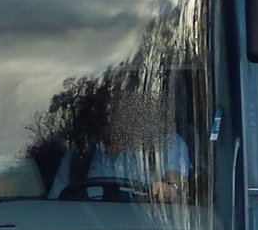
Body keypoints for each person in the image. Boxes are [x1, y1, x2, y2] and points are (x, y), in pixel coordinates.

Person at [48, 86, 191, 201]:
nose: (109, 118)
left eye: (116, 109)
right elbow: (56, 207)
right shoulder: (77, 157)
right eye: (102, 112)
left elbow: (176, 183)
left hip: (145, 226)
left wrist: (169, 188)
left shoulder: (165, 143)